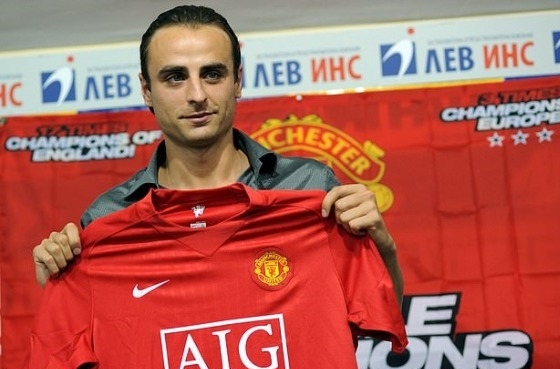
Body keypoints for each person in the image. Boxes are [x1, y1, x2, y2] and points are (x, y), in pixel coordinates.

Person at [31, 4, 403, 303]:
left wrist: (383, 246)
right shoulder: (108, 219)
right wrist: (62, 285)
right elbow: (96, 349)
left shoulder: (309, 188)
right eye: (175, 77)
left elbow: (378, 312)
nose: (197, 95)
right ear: (146, 91)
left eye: (212, 74)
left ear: (237, 80)